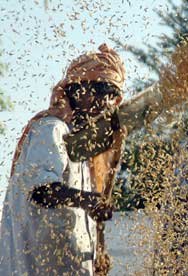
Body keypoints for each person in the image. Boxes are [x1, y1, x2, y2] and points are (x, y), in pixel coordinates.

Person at [0, 43, 125, 275]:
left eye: (111, 95)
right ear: (75, 90)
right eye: (97, 90)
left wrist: (98, 252)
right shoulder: (51, 129)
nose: (104, 101)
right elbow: (42, 191)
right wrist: (88, 200)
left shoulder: (82, 148)